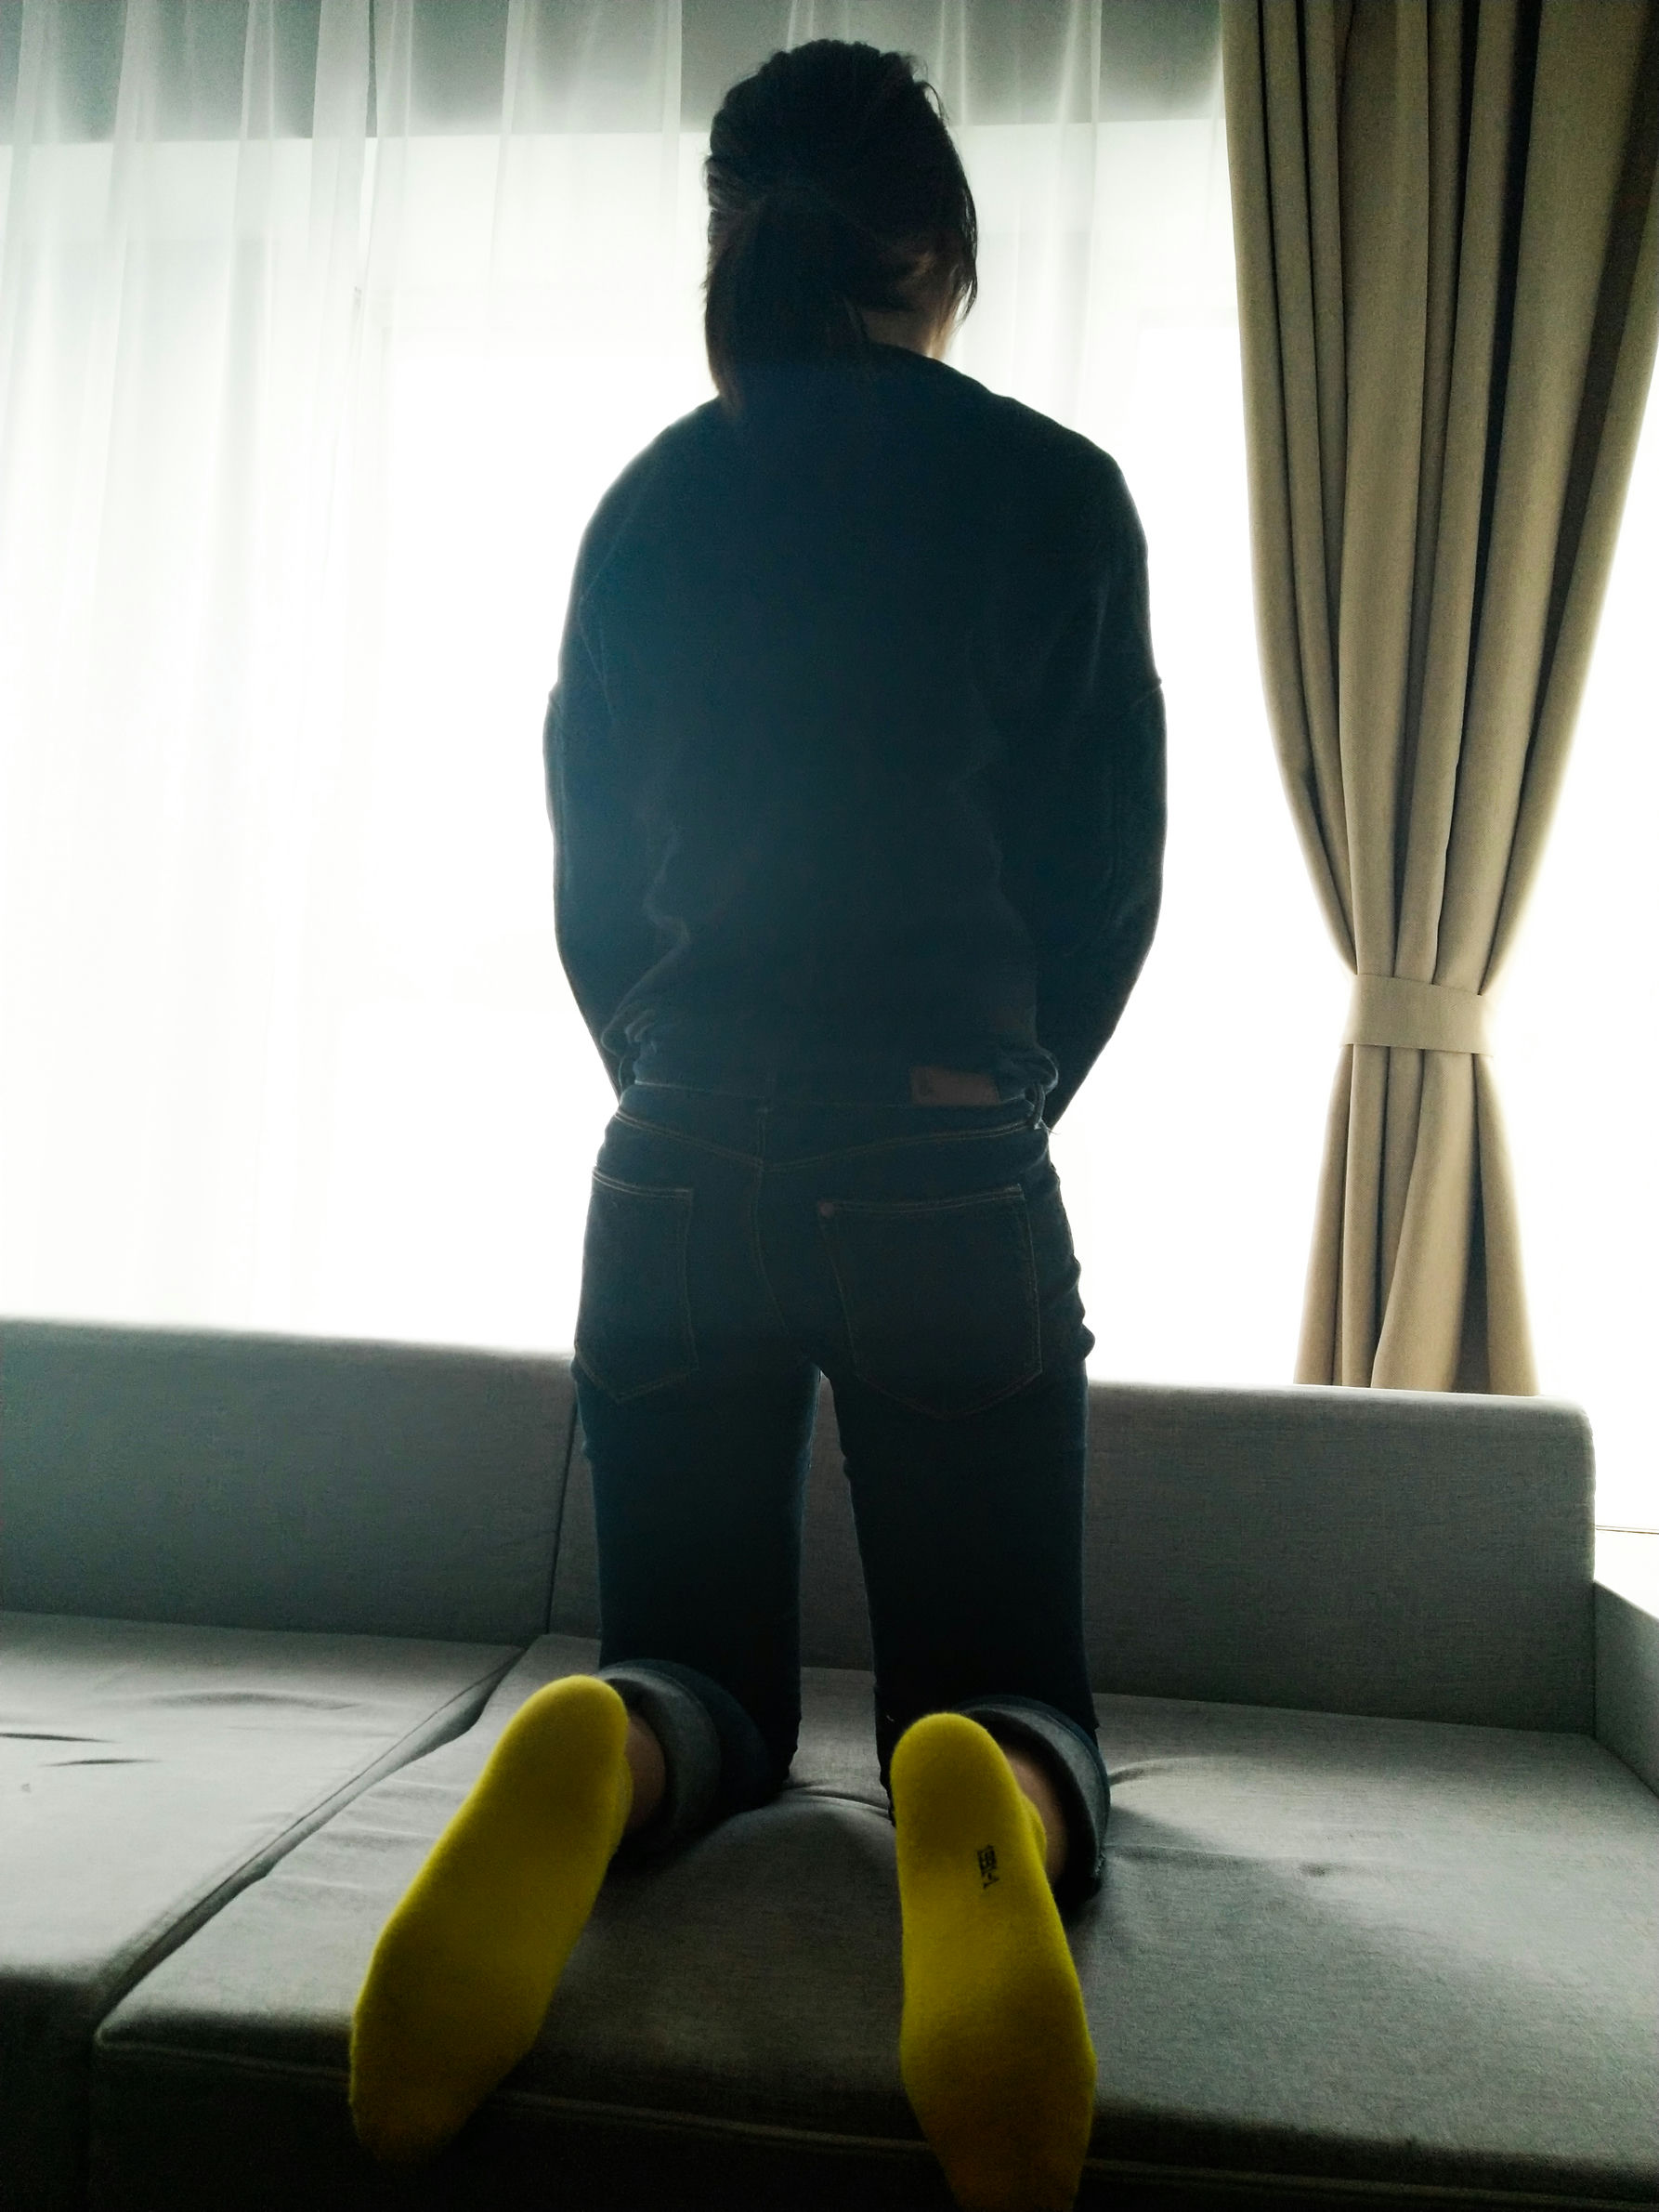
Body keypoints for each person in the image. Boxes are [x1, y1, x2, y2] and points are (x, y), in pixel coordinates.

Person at [348, 38, 1164, 2212]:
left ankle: (598, 1744)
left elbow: (590, 879)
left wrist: (681, 1085)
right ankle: (978, 1788)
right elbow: (1104, 882)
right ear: (941, 252)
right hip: (941, 1149)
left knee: (692, 1660)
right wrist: (984, 1105)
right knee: (1008, 1686)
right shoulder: (1054, 492)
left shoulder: (648, 503)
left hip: (673, 1151)